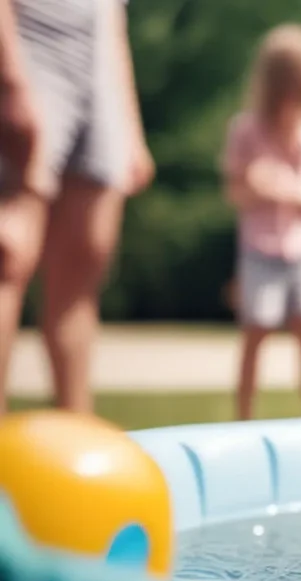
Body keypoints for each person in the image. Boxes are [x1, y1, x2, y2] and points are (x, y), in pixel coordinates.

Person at [0, 0, 154, 414]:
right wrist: (10, 83)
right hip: (27, 44)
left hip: (97, 62)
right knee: (8, 257)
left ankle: (76, 432)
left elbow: (111, 15)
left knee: (85, 266)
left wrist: (129, 125)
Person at [222, 24, 301, 420]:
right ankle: (242, 417)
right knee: (255, 332)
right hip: (260, 249)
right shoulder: (246, 129)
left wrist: (297, 192)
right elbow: (234, 192)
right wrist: (257, 187)